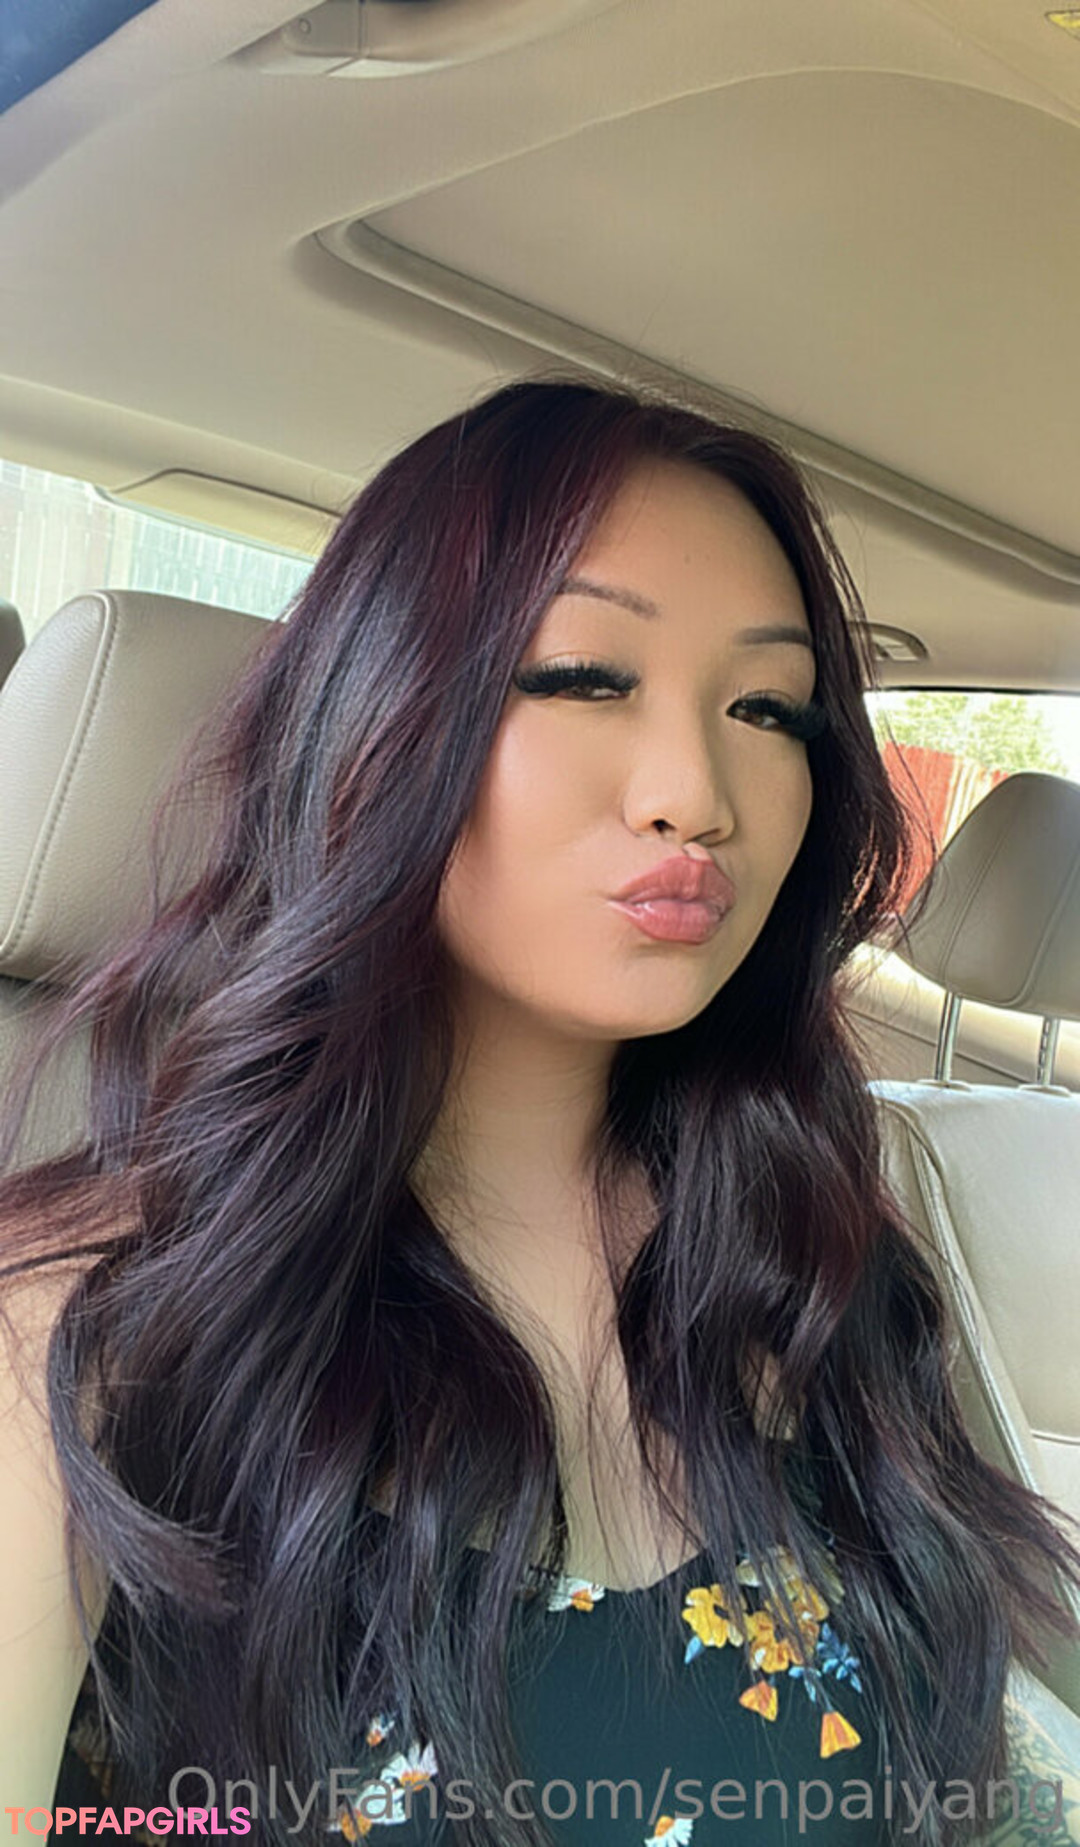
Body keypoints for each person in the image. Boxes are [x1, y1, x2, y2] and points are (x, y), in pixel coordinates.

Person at [1, 378, 1078, 1847]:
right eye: (583, 678)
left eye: (767, 709)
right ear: (378, 713)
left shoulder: (823, 1257)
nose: (697, 794)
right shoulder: (82, 1331)